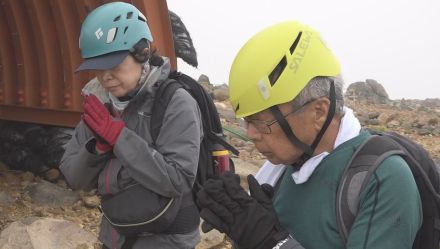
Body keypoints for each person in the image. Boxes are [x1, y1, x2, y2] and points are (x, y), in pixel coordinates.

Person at [196, 20, 422, 249]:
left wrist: (270, 241)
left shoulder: (383, 179)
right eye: (247, 121)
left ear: (319, 112)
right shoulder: (279, 170)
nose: (251, 134)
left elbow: (269, 240)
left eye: (262, 122)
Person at [60, 2, 202, 249]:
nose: (105, 77)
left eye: (114, 65)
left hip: (166, 239)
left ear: (143, 51)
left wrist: (119, 138)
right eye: (97, 67)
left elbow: (178, 179)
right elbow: (73, 177)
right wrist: (98, 149)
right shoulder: (100, 104)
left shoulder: (176, 102)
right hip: (115, 235)